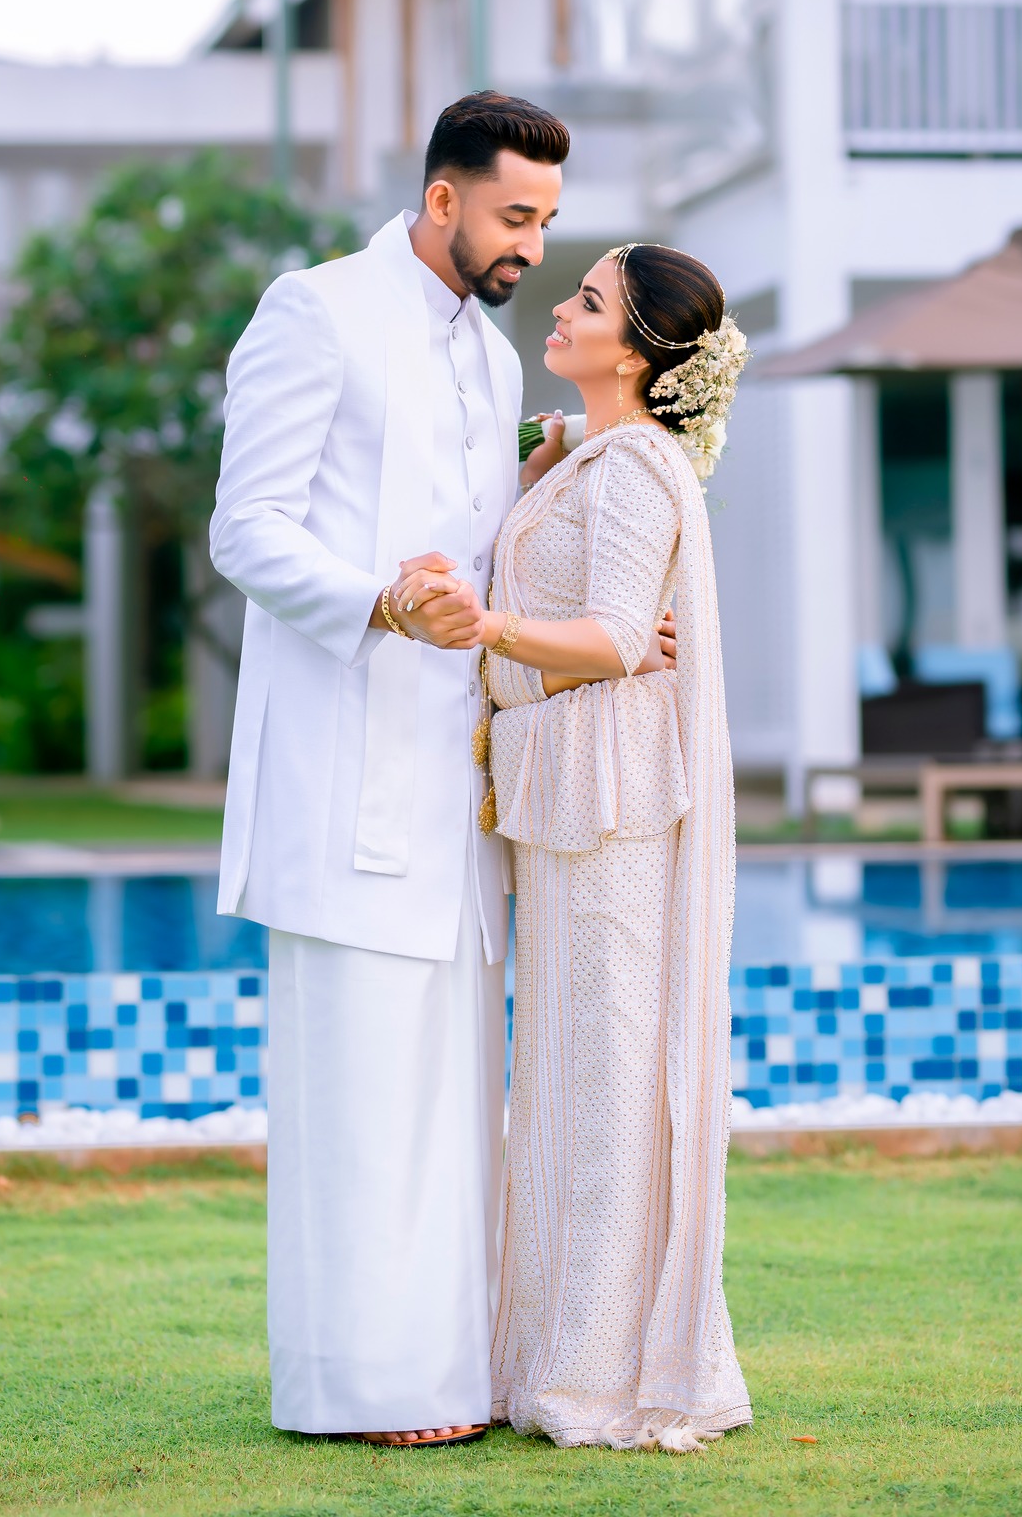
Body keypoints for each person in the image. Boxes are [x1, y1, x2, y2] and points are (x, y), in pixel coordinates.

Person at [209, 90, 571, 1447]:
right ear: (440, 199)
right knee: (358, 1104)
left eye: (545, 221)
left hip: (457, 786)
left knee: (448, 1101)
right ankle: (358, 1391)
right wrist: (376, 601)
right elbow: (245, 529)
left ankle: (447, 1377)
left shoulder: (490, 354)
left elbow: (478, 547)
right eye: (514, 215)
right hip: (341, 773)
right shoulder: (313, 310)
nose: (531, 245)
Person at [397, 240, 753, 1452]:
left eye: (589, 300)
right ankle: (553, 1349)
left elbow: (612, 634)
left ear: (640, 351)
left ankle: (603, 1369)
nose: (560, 303)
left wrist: (484, 625)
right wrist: (545, 449)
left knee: (607, 1084)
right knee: (559, 1082)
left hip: (613, 812)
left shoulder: (638, 468)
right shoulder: (592, 454)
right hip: (565, 806)